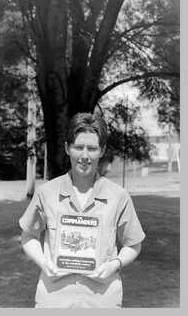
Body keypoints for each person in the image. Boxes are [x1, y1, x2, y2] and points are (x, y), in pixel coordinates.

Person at [19, 112, 145, 308]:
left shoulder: (119, 196)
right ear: (67, 148)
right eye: (78, 147)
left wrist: (115, 264)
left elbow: (133, 244)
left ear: (102, 151)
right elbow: (28, 236)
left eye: (92, 148)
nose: (85, 156)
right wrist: (44, 263)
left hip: (103, 299)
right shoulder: (46, 193)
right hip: (53, 298)